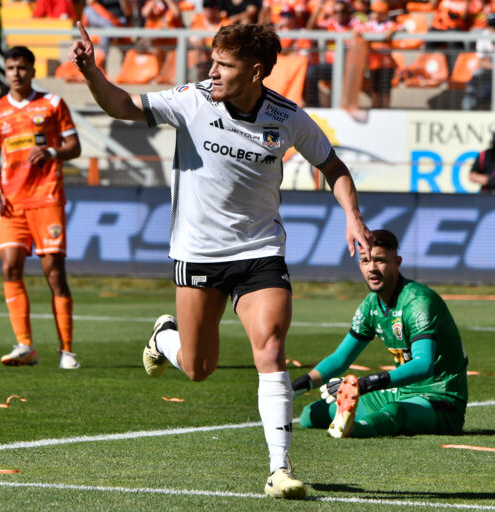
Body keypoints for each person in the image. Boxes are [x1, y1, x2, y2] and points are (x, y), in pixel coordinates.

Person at [68, 21, 372, 499]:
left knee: (270, 346)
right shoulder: (193, 99)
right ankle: (163, 337)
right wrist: (91, 72)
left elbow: (332, 166)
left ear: (255, 72)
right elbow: (124, 106)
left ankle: (280, 470)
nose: (211, 71)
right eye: (212, 60)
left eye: (223, 65)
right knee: (197, 368)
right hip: (198, 254)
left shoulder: (288, 117)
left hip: (260, 251)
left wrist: (353, 217)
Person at [292, 229, 469, 440]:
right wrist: (294, 388)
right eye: (365, 261)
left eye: (380, 260)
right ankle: (353, 420)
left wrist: (367, 383)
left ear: (397, 262)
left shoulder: (419, 302)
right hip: (401, 391)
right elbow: (340, 359)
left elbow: (423, 364)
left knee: (396, 411)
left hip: (439, 400)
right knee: (310, 415)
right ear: (359, 265)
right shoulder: (370, 305)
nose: (372, 269)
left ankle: (354, 429)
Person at [0, 46, 82, 369]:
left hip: (47, 198)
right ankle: (25, 345)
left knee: (54, 273)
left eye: (22, 68)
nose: (16, 73)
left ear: (32, 70)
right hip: (12, 203)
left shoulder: (52, 104)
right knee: (9, 267)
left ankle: (66, 350)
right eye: (11, 67)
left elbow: (74, 146)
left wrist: (52, 153)